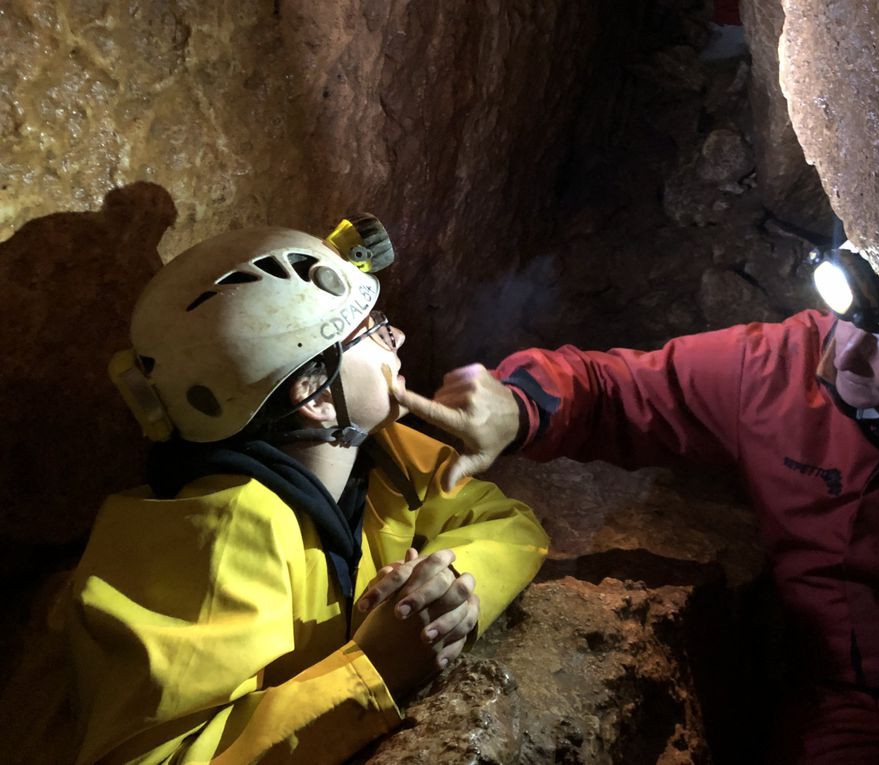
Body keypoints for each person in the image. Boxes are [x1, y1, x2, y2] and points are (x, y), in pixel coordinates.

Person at [391, 240, 879, 764]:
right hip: (852, 707)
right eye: (845, 319)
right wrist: (521, 407)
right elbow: (615, 390)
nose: (845, 355)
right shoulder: (779, 372)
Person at [47, 219, 548, 763]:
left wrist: (446, 590)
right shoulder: (222, 539)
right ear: (313, 394)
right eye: (373, 328)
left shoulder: (378, 456)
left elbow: (511, 524)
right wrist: (372, 670)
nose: (398, 336)